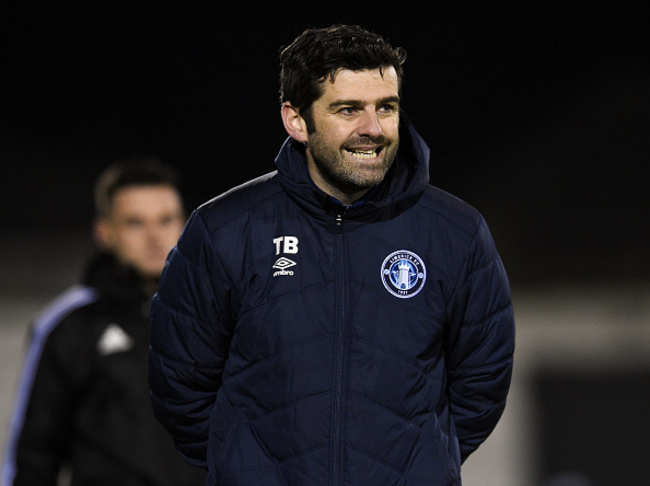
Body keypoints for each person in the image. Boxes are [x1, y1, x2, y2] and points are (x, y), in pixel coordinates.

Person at [148, 24, 515, 485]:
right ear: (296, 120)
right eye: (348, 110)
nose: (373, 129)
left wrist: (418, 466)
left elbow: (483, 383)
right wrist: (248, 467)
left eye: (387, 107)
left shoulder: (457, 232)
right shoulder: (222, 229)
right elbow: (179, 383)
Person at [2, 157, 207, 486]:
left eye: (166, 220)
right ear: (105, 233)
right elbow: (33, 456)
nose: (154, 236)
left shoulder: (223, 314)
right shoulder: (70, 325)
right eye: (136, 223)